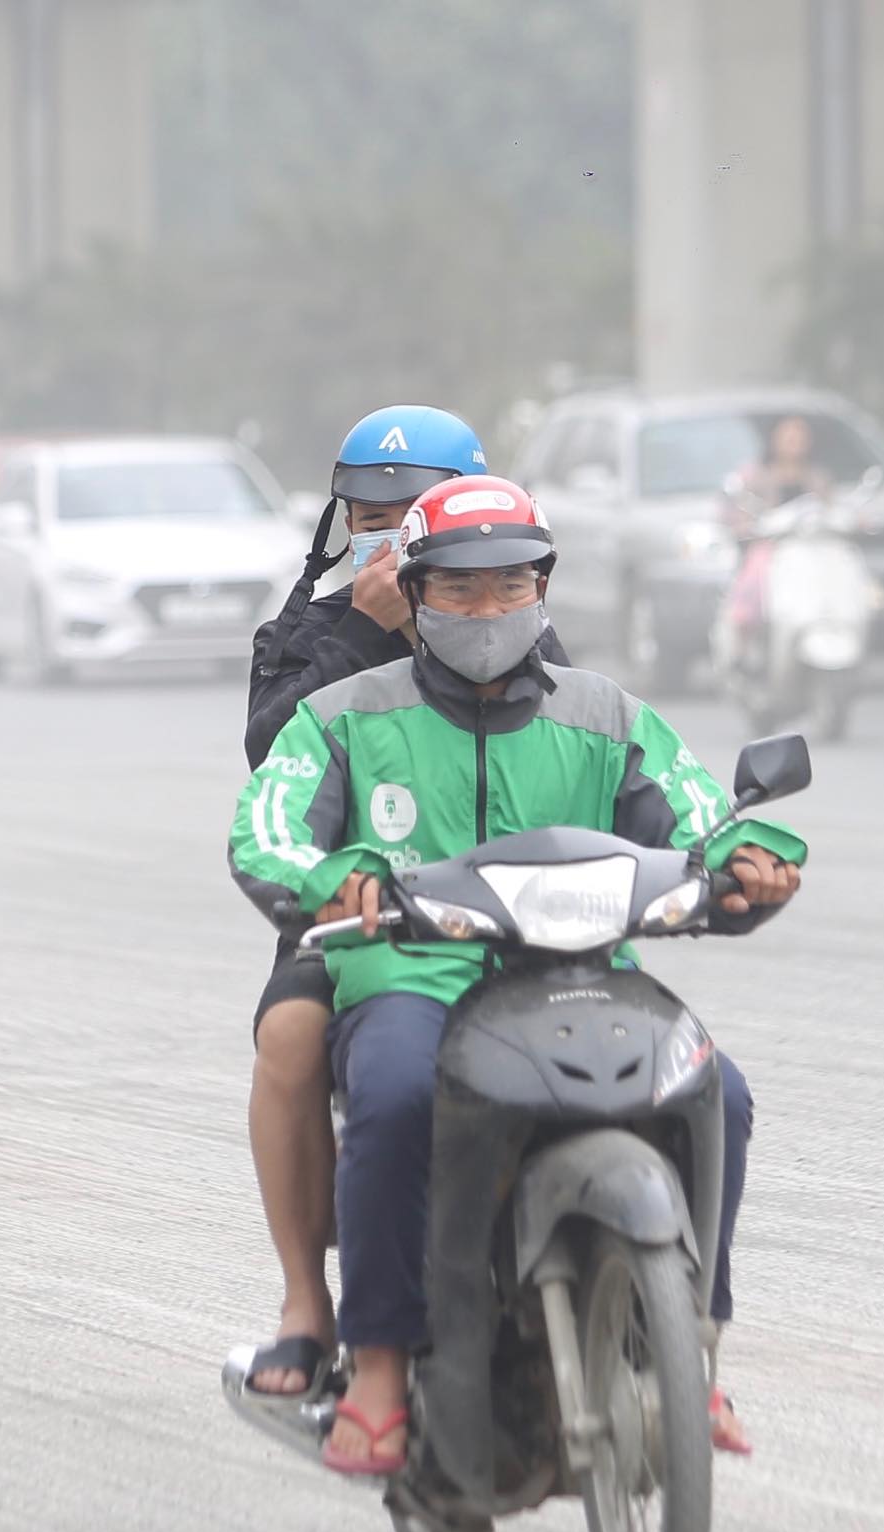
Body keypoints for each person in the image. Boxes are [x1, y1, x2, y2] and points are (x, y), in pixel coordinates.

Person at [229, 475, 806, 1471]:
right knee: (396, 1096)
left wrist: (748, 850)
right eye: (456, 589)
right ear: (410, 594)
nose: (486, 609)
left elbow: (703, 811)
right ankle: (373, 1362)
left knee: (721, 1093)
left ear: (542, 585)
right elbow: (267, 827)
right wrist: (331, 877)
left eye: (508, 585)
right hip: (410, 975)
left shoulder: (607, 714)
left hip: (581, 971)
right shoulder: (340, 717)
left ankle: (691, 1349)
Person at [238, 408, 568, 1404]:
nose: (383, 527)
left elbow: (582, 728)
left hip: (518, 904)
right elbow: (269, 756)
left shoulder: (512, 607)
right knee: (294, 1035)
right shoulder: (308, 627)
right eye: (365, 512)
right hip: (358, 909)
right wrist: (362, 630)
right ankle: (308, 1303)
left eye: (404, 509)